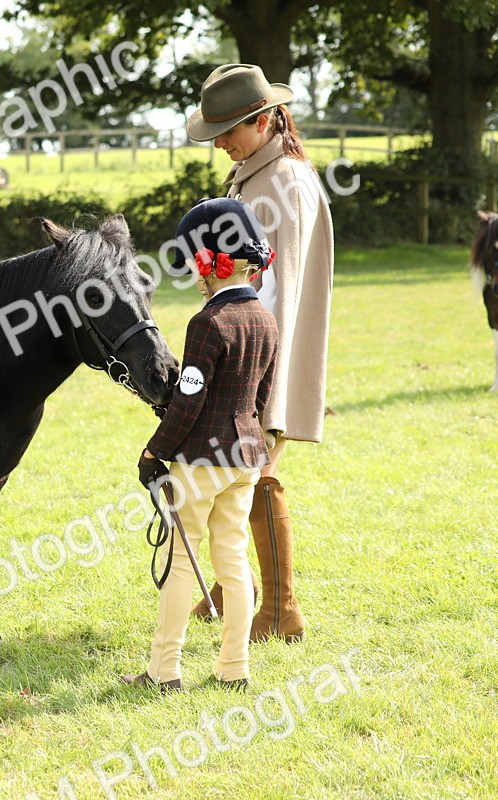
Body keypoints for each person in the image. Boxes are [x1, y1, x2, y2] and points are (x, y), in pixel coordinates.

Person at [183, 63, 335, 643]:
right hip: (253, 345)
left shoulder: (285, 181)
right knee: (239, 470)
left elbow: (276, 287)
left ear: (265, 121)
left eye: (228, 131)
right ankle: (235, 588)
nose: (219, 143)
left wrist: (247, 366)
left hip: (262, 352)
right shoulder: (258, 174)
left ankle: (280, 609)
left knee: (258, 469)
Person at [122, 198, 278, 692]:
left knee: (180, 561)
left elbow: (189, 402)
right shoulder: (266, 319)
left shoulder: (207, 324)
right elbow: (262, 396)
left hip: (203, 460)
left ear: (213, 264)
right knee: (232, 557)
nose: (193, 273)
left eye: (195, 262)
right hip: (246, 457)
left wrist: (154, 451)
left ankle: (164, 670)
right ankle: (234, 667)